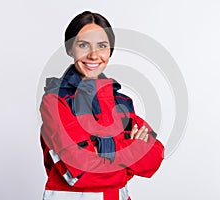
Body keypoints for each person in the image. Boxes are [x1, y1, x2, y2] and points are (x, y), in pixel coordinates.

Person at [39, 11, 164, 200]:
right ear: (70, 49)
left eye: (102, 46)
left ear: (110, 51)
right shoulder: (55, 102)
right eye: (83, 45)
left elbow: (155, 155)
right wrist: (131, 150)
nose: (93, 55)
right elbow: (80, 172)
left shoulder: (122, 103)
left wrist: (100, 152)